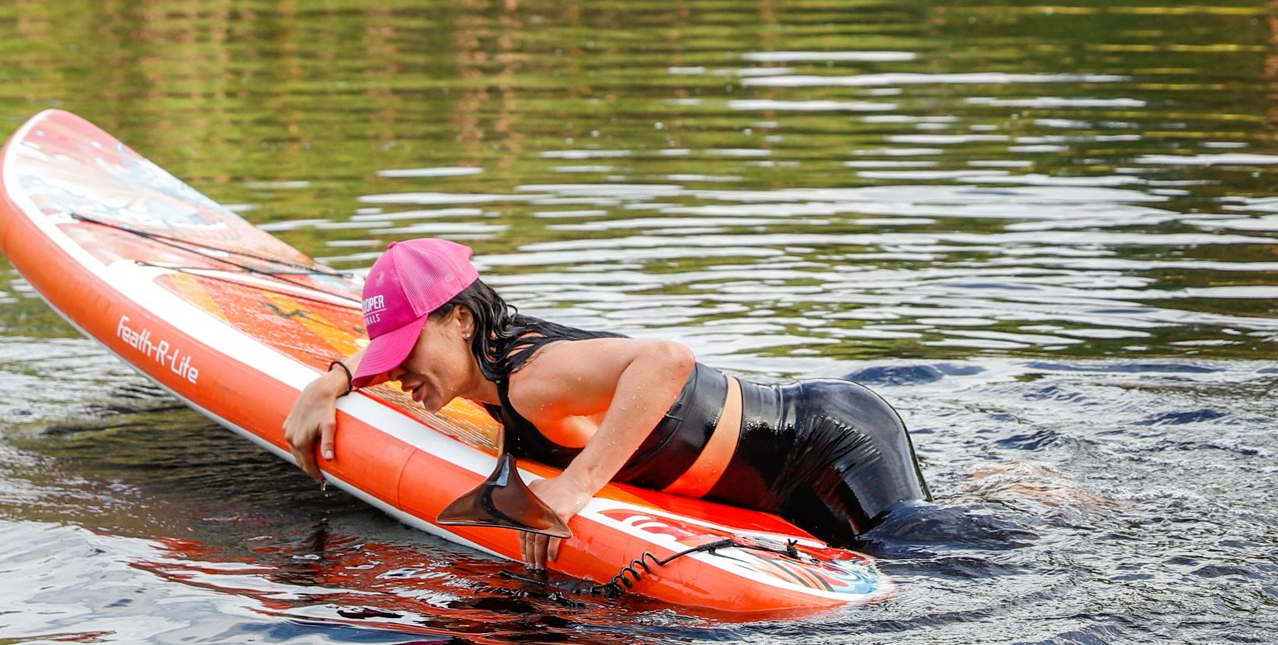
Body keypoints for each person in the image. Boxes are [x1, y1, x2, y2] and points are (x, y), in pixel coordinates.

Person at [281, 238, 928, 566]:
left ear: (459, 321)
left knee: (932, 554)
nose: (398, 377)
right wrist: (333, 380)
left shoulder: (533, 378)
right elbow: (390, 362)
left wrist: (573, 488)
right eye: (385, 360)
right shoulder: (485, 362)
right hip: (778, 478)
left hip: (830, 448)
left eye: (404, 354)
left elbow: (666, 359)